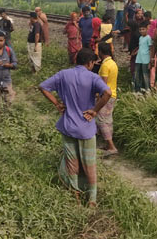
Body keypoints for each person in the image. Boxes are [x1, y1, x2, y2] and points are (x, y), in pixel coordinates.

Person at [39, 48, 112, 207]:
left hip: (68, 126)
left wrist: (57, 103)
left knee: (72, 162)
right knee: (89, 163)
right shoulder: (93, 77)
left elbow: (43, 87)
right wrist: (94, 110)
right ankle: (92, 199)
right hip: (85, 128)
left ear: (76, 61)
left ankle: (75, 195)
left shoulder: (64, 74)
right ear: (90, 63)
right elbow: (107, 93)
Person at [96, 43, 118, 155]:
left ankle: (111, 146)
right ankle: (107, 144)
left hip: (106, 96)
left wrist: (98, 98)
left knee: (101, 120)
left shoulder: (105, 66)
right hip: (113, 94)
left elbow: (103, 85)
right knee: (108, 120)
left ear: (100, 51)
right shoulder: (112, 63)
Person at [132, 21, 153, 92]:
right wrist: (135, 53)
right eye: (140, 29)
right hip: (139, 59)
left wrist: (150, 60)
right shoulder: (140, 38)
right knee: (137, 75)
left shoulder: (148, 38)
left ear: (147, 29)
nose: (141, 31)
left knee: (145, 75)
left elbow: (150, 49)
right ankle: (137, 90)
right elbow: (141, 47)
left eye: (143, 29)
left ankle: (147, 90)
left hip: (145, 60)